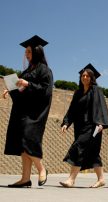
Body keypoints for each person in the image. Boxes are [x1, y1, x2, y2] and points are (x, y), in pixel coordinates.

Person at [2, 35, 53, 188]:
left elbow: (46, 90)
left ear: (37, 52)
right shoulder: (26, 71)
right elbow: (21, 89)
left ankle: (41, 168)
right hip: (22, 112)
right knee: (22, 144)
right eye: (26, 52)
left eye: (29, 51)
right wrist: (10, 89)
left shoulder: (44, 70)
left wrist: (28, 84)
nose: (26, 54)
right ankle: (25, 178)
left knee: (27, 138)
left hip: (35, 113)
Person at [60, 64, 108, 188]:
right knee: (93, 153)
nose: (85, 77)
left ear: (92, 78)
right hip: (80, 126)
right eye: (83, 75)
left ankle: (71, 179)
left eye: (87, 75)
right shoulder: (78, 93)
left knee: (79, 146)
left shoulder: (96, 90)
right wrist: (66, 123)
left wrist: (100, 123)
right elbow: (72, 110)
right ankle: (101, 179)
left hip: (93, 126)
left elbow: (100, 107)